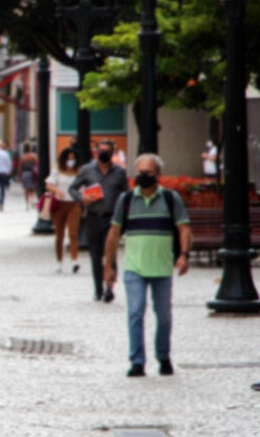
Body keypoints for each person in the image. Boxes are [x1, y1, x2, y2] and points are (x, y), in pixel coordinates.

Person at [103, 154, 192, 377]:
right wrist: (108, 265)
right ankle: (137, 361)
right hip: (135, 267)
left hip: (162, 267)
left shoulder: (171, 199)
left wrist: (184, 255)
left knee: (163, 316)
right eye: (139, 172)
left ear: (158, 175)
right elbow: (114, 233)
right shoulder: (126, 200)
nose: (142, 177)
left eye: (148, 173)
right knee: (135, 312)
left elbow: (184, 228)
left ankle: (163, 356)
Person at [69, 139, 129, 302]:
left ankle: (110, 287)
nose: (103, 153)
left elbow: (126, 194)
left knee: (111, 254)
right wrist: (82, 197)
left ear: (112, 153)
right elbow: (72, 188)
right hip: (93, 217)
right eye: (101, 150)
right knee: (95, 255)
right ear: (96, 151)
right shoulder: (87, 170)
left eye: (107, 151)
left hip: (112, 219)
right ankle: (98, 288)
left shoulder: (119, 172)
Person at [44, 147, 82, 274]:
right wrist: (57, 191)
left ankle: (74, 260)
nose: (71, 161)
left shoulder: (79, 172)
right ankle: (59, 261)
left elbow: (84, 186)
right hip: (59, 204)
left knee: (73, 233)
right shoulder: (57, 170)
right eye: (68, 158)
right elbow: (49, 184)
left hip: (74, 204)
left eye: (73, 159)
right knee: (59, 234)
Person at [17, 143, 40, 210]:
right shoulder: (34, 156)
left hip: (25, 173)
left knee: (26, 189)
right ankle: (33, 200)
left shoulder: (23, 157)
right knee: (33, 188)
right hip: (33, 174)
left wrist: (18, 176)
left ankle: (27, 204)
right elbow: (37, 165)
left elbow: (19, 167)